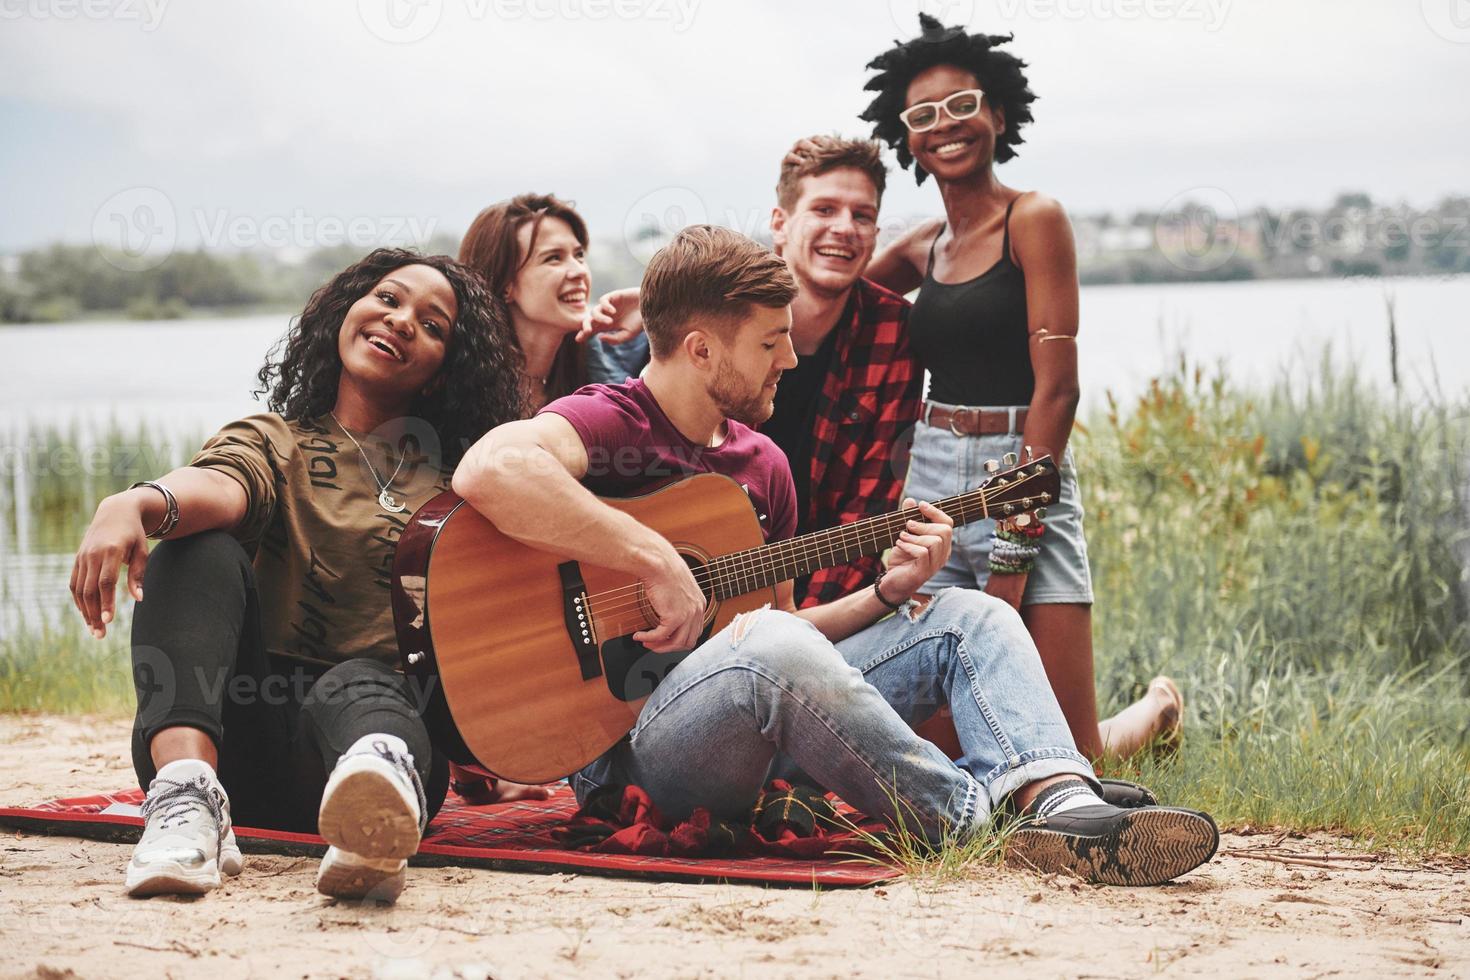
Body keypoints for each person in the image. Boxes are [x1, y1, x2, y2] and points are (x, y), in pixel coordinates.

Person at [452, 225, 1219, 886]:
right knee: (768, 648)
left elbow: (788, 633)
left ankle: (1061, 800)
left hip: (761, 727)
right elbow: (488, 469)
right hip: (633, 755)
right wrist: (653, 558)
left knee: (964, 614)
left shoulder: (762, 464)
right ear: (700, 348)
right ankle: (982, 820)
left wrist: (888, 595)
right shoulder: (609, 421)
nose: (788, 359)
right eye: (769, 342)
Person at [592, 132, 1180, 764]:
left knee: (998, 736)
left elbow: (863, 516)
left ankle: (1140, 723)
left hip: (817, 614)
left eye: (863, 215)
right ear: (779, 224)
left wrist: (830, 633)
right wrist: (660, 307)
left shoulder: (892, 336)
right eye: (824, 210)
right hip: (685, 638)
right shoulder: (694, 340)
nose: (844, 229)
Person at [69, 249, 527, 901]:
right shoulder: (276, 438)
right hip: (236, 745)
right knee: (195, 543)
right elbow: (223, 485)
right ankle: (186, 805)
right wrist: (139, 502)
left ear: (441, 374)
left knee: (358, 680)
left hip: (370, 732)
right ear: (345, 314)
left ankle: (372, 824)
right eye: (389, 299)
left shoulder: (463, 486)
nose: (400, 321)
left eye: (432, 325)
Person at [857, 16, 1182, 760]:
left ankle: (1158, 710)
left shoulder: (1033, 219)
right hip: (933, 476)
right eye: (924, 115)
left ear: (998, 115)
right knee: (951, 741)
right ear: (908, 138)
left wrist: (1015, 538)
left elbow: (1059, 390)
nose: (946, 126)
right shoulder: (920, 247)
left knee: (1075, 758)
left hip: (1022, 467)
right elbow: (817, 298)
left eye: (963, 106)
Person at [459, 193, 648, 413]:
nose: (579, 271)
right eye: (553, 258)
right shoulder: (458, 383)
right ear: (505, 285)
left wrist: (653, 309)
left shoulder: (612, 354)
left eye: (578, 255)